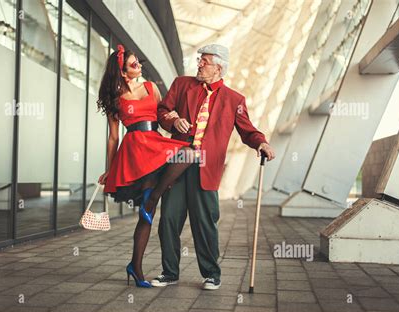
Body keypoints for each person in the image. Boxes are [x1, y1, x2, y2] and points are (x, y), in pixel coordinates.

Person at [151, 44, 276, 290]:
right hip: (177, 163)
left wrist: (260, 142)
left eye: (204, 61)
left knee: (205, 222)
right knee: (168, 218)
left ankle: (211, 274)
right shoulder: (181, 84)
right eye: (199, 60)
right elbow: (162, 111)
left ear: (218, 68)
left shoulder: (234, 99)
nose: (199, 64)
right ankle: (169, 272)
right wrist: (175, 120)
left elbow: (246, 129)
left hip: (206, 169)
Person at [97, 45, 195, 288]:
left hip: (155, 143)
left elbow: (163, 115)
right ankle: (136, 268)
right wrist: (109, 169)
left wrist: (175, 120)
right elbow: (113, 137)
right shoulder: (115, 98)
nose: (139, 66)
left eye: (138, 62)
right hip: (135, 151)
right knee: (146, 218)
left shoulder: (152, 87)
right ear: (121, 72)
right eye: (133, 64)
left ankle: (153, 198)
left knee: (189, 154)